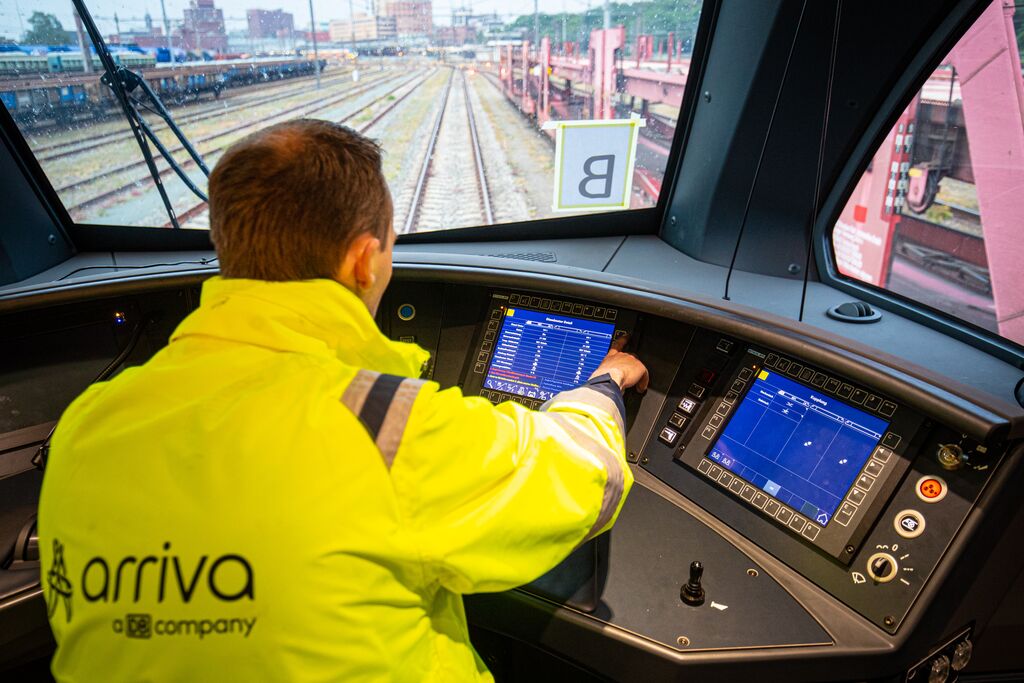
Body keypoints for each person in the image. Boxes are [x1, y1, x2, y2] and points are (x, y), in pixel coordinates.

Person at [38, 119, 649, 682]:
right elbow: (584, 478)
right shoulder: (383, 423)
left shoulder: (90, 420)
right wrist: (603, 385)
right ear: (364, 260)